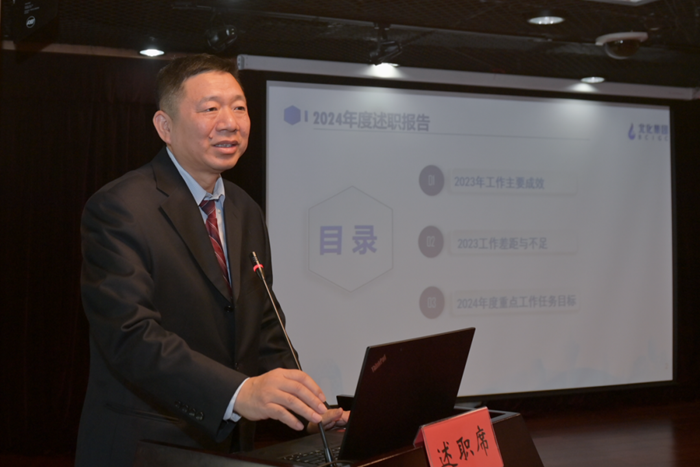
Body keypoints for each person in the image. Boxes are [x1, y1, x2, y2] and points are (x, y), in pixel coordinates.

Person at [75, 54, 347, 467]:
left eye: (239, 107)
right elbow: (130, 336)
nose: (230, 123)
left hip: (230, 451)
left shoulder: (244, 209)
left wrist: (311, 412)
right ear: (165, 126)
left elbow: (264, 327)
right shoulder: (120, 208)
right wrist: (239, 393)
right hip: (147, 447)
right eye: (210, 109)